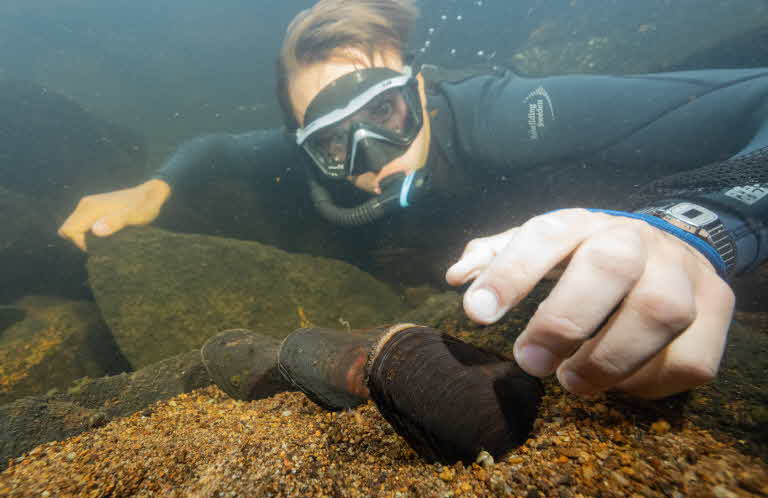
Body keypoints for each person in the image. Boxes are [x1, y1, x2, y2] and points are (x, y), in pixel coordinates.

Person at [59, 0, 768, 400]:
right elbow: (218, 148)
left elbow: (753, 98)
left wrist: (700, 229)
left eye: (387, 115)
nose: (373, 159)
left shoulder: (503, 114)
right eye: (336, 146)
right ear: (304, 143)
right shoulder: (298, 151)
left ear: (420, 90)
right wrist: (155, 186)